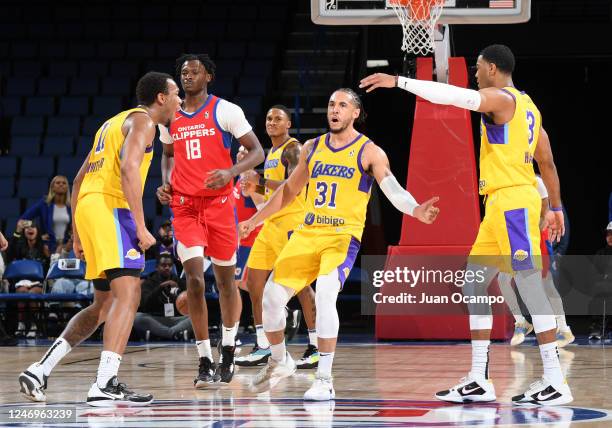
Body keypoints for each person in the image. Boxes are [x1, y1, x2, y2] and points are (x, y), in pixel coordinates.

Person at [360, 44, 572, 405]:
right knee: (473, 280)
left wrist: (400, 81)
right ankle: (479, 378)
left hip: (512, 202)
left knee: (528, 285)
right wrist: (556, 207)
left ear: (491, 68)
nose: (475, 73)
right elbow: (547, 160)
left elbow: (454, 97)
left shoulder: (501, 99)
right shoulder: (529, 106)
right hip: (500, 205)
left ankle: (555, 380)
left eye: (477, 68)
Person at [240, 88, 439, 400]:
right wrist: (256, 219)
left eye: (342, 105)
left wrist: (414, 209)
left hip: (341, 237)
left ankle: (324, 378)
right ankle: (280, 361)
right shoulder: (312, 147)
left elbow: (393, 188)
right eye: (331, 104)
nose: (334, 110)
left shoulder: (369, 151)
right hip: (307, 233)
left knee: (326, 293)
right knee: (270, 300)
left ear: (355, 113)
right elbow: (288, 192)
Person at [18, 71, 181, 406]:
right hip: (112, 208)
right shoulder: (143, 122)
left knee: (103, 304)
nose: (180, 100)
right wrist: (140, 225)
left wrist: (78, 234)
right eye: (176, 94)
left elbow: (78, 180)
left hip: (90, 209)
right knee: (129, 294)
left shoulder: (111, 123)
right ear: (161, 98)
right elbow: (129, 170)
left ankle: (39, 369)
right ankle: (105, 383)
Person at [156, 53, 264, 387]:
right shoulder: (170, 117)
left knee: (226, 283)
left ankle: (228, 347)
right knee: (195, 282)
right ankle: (204, 358)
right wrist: (167, 183)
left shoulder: (226, 110)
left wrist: (231, 172)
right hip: (186, 208)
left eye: (194, 72)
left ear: (209, 77)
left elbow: (257, 152)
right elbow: (168, 154)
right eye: (184, 72)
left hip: (219, 207)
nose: (188, 77)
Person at [236, 105, 319, 369]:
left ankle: (315, 346)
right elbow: (272, 192)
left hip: (294, 224)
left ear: (288, 124)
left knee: (302, 287)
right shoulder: (271, 151)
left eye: (278, 119)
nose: (272, 122)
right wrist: (253, 185)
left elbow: (294, 186)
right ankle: (263, 344)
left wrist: (258, 179)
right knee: (252, 283)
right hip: (272, 224)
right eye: (269, 118)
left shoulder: (293, 149)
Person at [498, 175, 574, 347]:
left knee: (547, 286)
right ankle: (521, 323)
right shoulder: (505, 183)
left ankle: (563, 328)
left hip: (536, 241)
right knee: (503, 280)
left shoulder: (538, 182)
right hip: (515, 241)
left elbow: (548, 218)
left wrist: (558, 251)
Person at [133, 254, 191, 341]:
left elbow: (189, 306)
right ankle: (173, 334)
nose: (167, 268)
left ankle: (165, 333)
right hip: (156, 320)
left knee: (196, 317)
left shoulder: (179, 282)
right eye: (163, 265)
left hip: (176, 319)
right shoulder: (148, 283)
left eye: (170, 265)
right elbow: (145, 305)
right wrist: (159, 288)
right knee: (136, 317)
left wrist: (179, 293)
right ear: (157, 267)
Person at [7, 222, 50, 339]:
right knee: (22, 292)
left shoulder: (44, 247)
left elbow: (47, 270)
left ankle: (33, 325)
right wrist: (17, 231)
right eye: (27, 228)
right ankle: (21, 325)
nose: (30, 229)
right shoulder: (19, 246)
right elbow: (9, 254)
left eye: (33, 227)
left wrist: (48, 257)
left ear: (38, 231)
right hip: (22, 280)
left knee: (32, 295)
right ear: (24, 232)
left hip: (38, 282)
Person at [19, 175, 72, 252]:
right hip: (48, 246)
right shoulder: (44, 204)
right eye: (58, 183)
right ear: (52, 187)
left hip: (66, 247)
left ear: (67, 187)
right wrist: (37, 233)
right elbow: (22, 220)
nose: (61, 184)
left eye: (64, 183)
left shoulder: (71, 206)